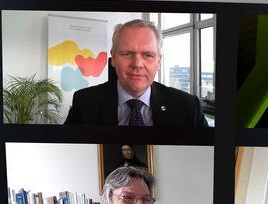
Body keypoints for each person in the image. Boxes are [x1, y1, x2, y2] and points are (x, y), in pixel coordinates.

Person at [63, 19, 208, 127]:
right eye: (127, 53)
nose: (137, 64)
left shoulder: (188, 107)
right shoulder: (84, 102)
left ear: (159, 61)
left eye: (148, 55)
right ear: (113, 58)